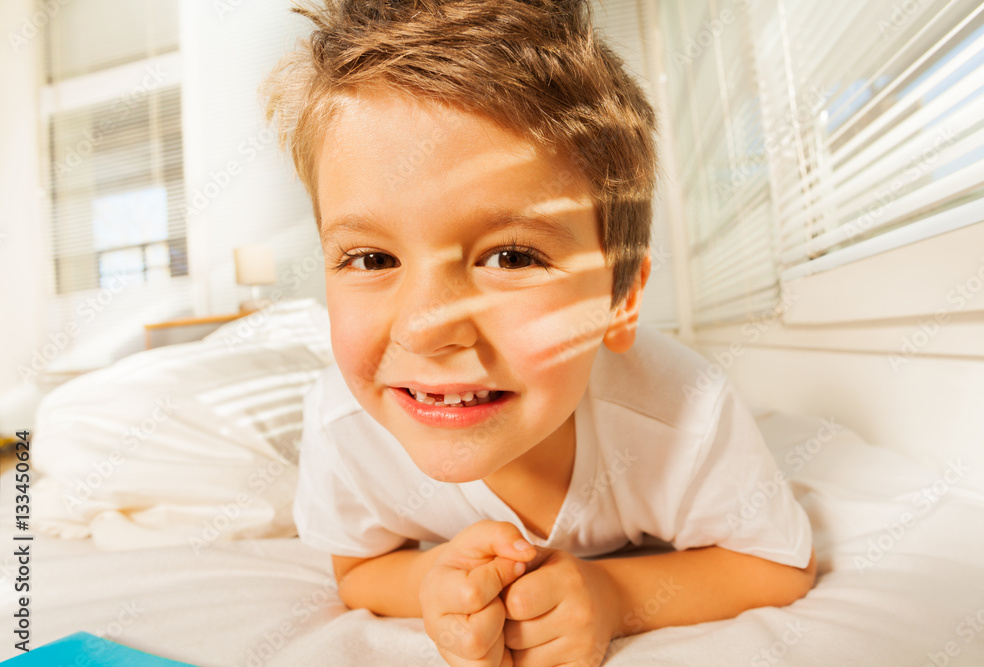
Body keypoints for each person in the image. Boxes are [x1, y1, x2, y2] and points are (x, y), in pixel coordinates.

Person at [262, 1, 817, 665]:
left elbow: (779, 563)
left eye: (511, 256)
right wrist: (428, 580)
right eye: (371, 258)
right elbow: (357, 569)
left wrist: (613, 593)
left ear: (621, 297)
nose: (425, 330)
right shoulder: (342, 425)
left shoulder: (685, 414)